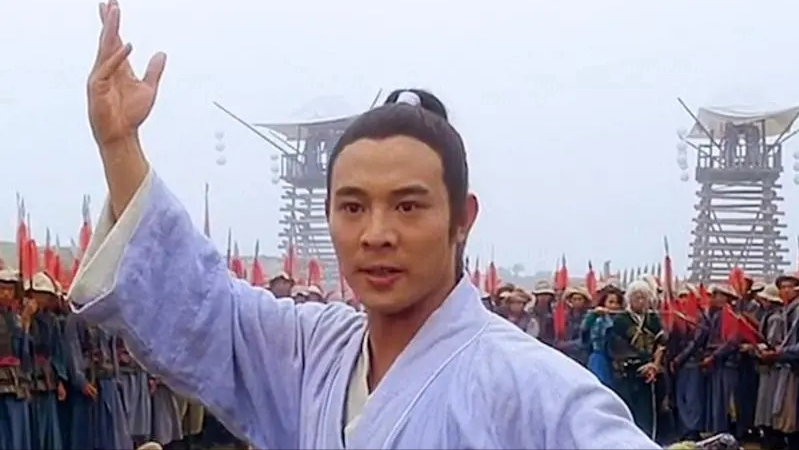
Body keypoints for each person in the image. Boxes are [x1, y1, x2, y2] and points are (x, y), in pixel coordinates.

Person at [72, 2, 661, 448]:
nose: (376, 233)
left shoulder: (535, 390)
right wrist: (120, 146)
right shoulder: (313, 353)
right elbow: (204, 309)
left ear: (462, 219)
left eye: (408, 206)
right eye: (353, 207)